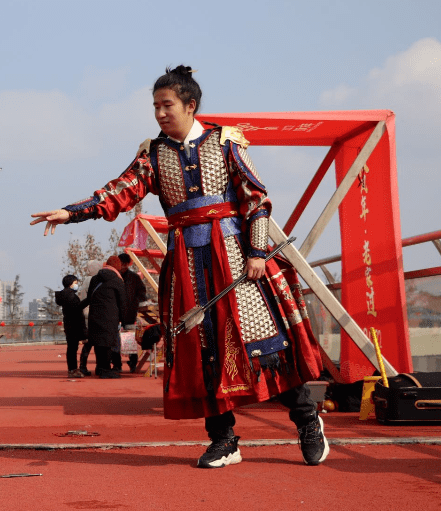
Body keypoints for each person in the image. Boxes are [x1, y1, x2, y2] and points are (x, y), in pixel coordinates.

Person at [30, 65, 328, 468]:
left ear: (190, 105)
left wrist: (257, 253)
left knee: (261, 346)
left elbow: (255, 199)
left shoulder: (226, 142)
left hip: (237, 259)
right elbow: (117, 192)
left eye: (166, 105)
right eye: (155, 106)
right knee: (200, 350)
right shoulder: (152, 154)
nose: (159, 113)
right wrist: (71, 213)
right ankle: (224, 439)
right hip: (187, 264)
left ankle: (307, 421)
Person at [85, 256, 127, 379]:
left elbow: (89, 298)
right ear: (117, 267)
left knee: (99, 343)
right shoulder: (117, 280)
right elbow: (122, 302)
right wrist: (123, 319)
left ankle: (99, 367)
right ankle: (106, 370)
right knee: (108, 344)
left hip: (94, 315)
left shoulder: (94, 279)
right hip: (110, 316)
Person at [118, 253, 147, 372]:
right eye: (121, 264)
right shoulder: (115, 277)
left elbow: (142, 293)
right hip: (116, 314)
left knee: (130, 339)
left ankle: (133, 362)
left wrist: (139, 304)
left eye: (125, 264)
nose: (123, 266)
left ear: (128, 264)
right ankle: (117, 364)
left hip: (130, 313)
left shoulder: (134, 277)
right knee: (115, 341)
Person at [55, 274, 88, 378]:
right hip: (74, 324)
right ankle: (73, 370)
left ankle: (72, 369)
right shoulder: (71, 296)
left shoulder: (65, 295)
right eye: (75, 283)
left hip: (69, 325)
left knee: (72, 348)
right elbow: (77, 310)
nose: (76, 285)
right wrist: (87, 300)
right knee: (73, 348)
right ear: (70, 284)